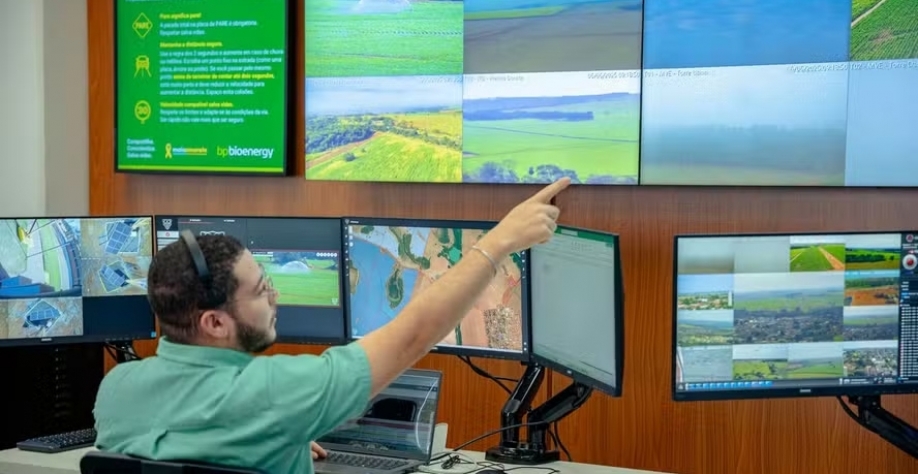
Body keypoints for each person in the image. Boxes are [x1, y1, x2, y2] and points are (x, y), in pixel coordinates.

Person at [93, 177, 571, 473]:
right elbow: (412, 333)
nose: (275, 296)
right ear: (215, 321)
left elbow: (199, 435)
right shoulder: (279, 392)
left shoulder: (117, 389)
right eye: (261, 291)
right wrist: (501, 241)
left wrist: (279, 435)